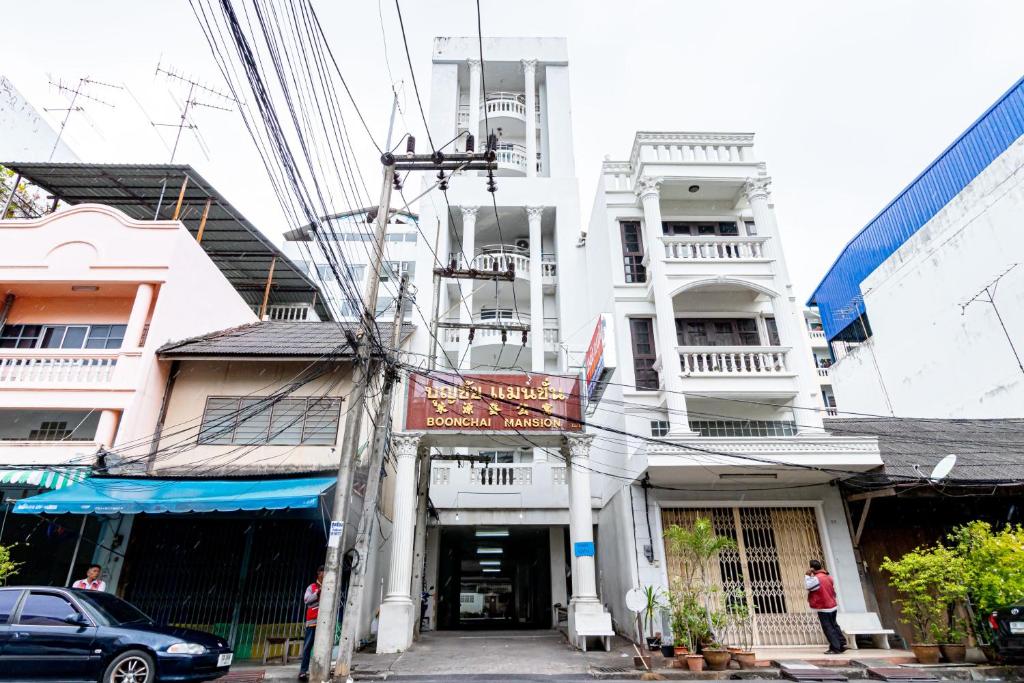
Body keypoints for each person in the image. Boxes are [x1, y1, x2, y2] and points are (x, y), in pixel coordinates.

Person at [805, 559, 847, 654]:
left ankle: (835, 648)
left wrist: (807, 575)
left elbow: (808, 586)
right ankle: (841, 643)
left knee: (828, 627)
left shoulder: (817, 578)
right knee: (834, 625)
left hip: (824, 606)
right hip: (832, 605)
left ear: (812, 568)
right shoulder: (828, 577)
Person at [298, 565, 324, 682]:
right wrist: (317, 594)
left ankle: (320, 670)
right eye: (323, 572)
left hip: (323, 624)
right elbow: (306, 600)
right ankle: (303, 671)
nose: (324, 574)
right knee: (308, 647)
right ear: (318, 573)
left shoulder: (329, 587)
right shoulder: (312, 587)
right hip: (312, 622)